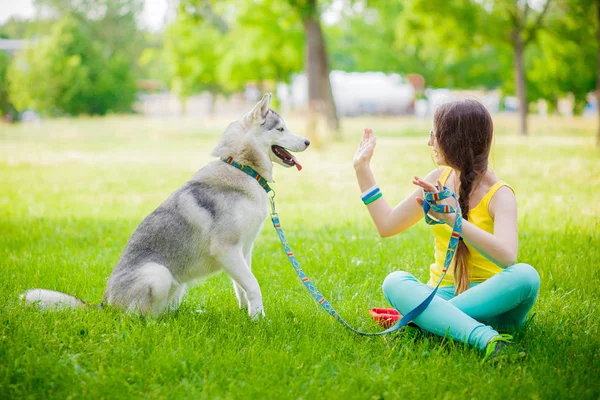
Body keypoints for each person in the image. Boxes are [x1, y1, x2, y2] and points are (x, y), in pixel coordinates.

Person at [353, 99, 540, 361]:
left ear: (455, 140)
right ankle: (484, 337)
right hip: (441, 292)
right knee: (394, 282)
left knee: (526, 276)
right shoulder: (436, 180)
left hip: (493, 299)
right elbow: (387, 225)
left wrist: (455, 221)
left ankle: (429, 321)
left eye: (434, 134)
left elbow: (507, 257)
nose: (430, 142)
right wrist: (362, 169)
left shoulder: (500, 195)